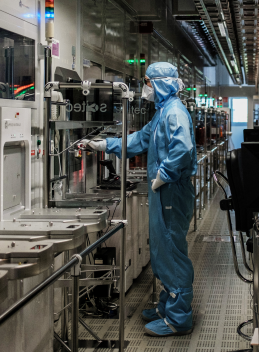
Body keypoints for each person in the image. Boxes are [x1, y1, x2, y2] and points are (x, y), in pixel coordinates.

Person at [80, 62, 197, 337]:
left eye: (147, 82)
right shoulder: (162, 113)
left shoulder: (175, 113)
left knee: (171, 250)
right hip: (164, 190)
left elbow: (183, 148)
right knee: (160, 249)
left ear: (160, 83)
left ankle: (178, 318)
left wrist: (165, 174)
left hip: (172, 190)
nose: (145, 89)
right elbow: (139, 139)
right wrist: (105, 144)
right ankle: (167, 305)